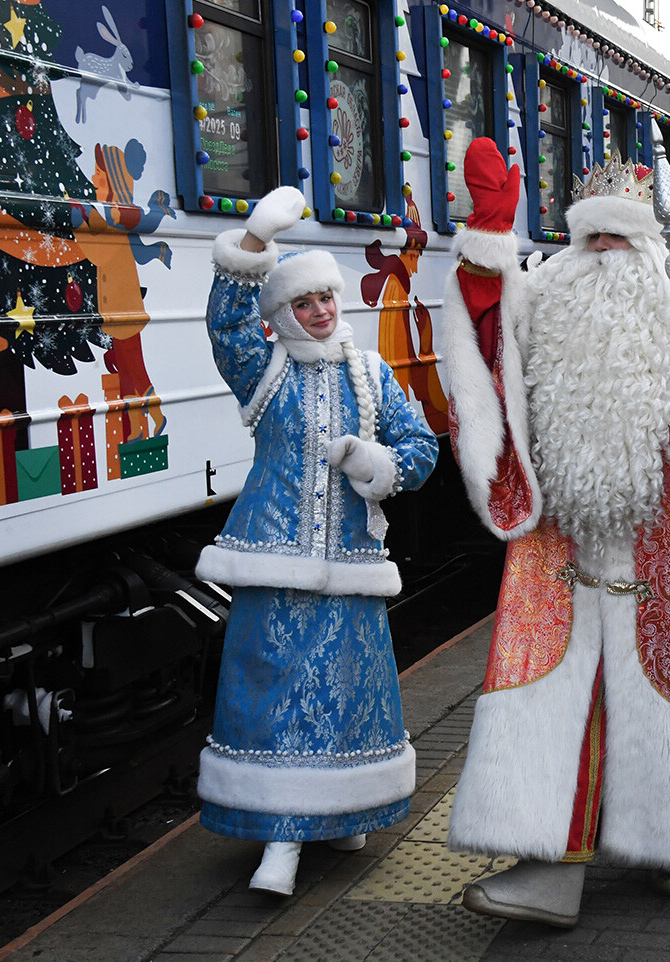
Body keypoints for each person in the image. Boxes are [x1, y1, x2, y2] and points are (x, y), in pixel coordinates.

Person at [439, 142, 670, 925]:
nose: (600, 253)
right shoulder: (546, 298)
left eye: (618, 237)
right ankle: (550, 867)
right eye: (588, 237)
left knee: (669, 695)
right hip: (564, 554)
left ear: (653, 244)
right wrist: (485, 249)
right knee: (566, 698)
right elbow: (488, 337)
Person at [194, 186, 439, 895]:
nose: (322, 311)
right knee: (273, 695)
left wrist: (378, 466)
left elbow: (419, 447)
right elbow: (226, 328)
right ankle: (281, 836)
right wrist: (248, 249)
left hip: (352, 562)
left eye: (327, 298)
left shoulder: (371, 374)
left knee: (348, 692)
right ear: (283, 315)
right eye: (304, 303)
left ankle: (344, 810)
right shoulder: (264, 371)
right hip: (273, 558)